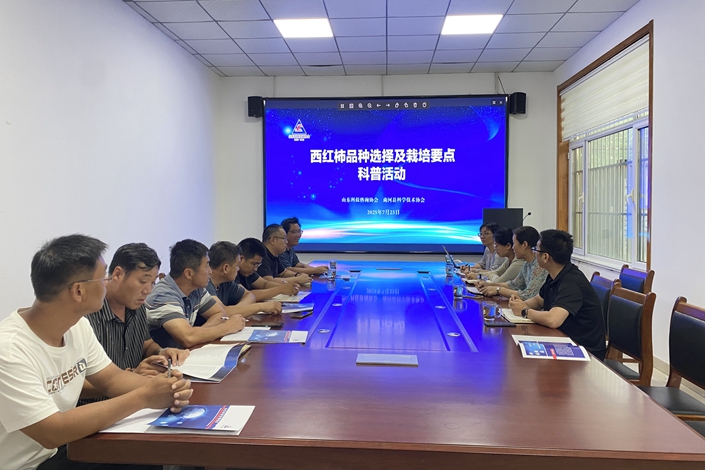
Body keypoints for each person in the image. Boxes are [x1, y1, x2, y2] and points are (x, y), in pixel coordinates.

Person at [0, 234, 192, 470]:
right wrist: (144, 396)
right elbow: (52, 431)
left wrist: (169, 387)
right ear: (78, 291)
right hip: (28, 464)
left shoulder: (78, 326)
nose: (107, 284)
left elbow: (111, 379)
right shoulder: (9, 349)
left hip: (64, 449)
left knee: (145, 455)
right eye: (102, 278)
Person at [81, 243, 190, 404]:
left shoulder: (137, 306)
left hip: (137, 400)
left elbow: (146, 344)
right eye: (142, 281)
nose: (148, 290)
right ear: (117, 274)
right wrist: (129, 378)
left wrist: (161, 352)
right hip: (100, 407)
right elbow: (74, 386)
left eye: (152, 282)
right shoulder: (86, 315)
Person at [509, 230, 607, 360]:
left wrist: (524, 311)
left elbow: (553, 320)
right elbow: (539, 301)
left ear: (545, 257)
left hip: (584, 350)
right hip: (564, 338)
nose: (534, 253)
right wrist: (520, 304)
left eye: (536, 250)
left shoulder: (572, 282)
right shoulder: (554, 274)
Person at [145, 239, 246, 349]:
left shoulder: (197, 289)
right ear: (189, 274)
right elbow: (187, 338)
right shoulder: (163, 295)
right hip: (164, 357)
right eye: (206, 265)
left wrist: (199, 334)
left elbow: (219, 313)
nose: (210, 271)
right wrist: (228, 327)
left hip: (185, 353)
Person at [207, 241, 282, 317]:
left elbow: (250, 295)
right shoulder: (206, 284)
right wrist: (260, 307)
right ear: (226, 268)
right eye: (237, 266)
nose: (238, 269)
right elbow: (222, 312)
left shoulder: (226, 282)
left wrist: (238, 310)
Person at [477, 226, 548, 300]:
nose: (513, 247)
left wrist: (498, 290)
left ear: (524, 245)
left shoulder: (539, 265)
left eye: (514, 243)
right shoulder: (526, 264)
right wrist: (489, 284)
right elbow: (514, 285)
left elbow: (529, 295)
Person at [237, 238, 302, 301]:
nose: (255, 269)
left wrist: (287, 287)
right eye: (254, 264)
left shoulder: (248, 271)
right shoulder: (233, 273)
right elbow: (247, 295)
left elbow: (264, 284)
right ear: (241, 259)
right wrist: (279, 290)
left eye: (258, 265)